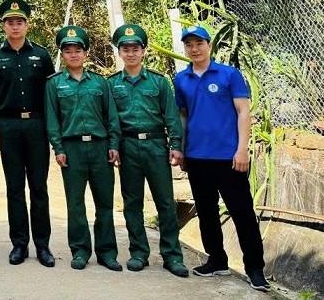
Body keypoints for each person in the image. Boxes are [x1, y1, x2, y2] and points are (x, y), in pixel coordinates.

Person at [174, 25, 269, 291]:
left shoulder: (229, 75)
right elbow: (183, 116)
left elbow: (243, 112)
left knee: (242, 212)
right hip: (197, 157)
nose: (194, 49)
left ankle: (255, 269)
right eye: (189, 45)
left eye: (199, 43)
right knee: (206, 213)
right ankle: (216, 260)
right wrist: (182, 149)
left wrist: (242, 149)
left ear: (209, 45)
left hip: (229, 157)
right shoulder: (180, 80)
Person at [107, 24, 188, 277]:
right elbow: (111, 120)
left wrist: (176, 145)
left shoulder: (159, 82)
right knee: (132, 202)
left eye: (135, 49)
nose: (131, 53)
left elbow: (171, 116)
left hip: (155, 145)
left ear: (143, 51)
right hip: (128, 146)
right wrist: (114, 146)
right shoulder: (112, 84)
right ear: (120, 52)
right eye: (126, 49)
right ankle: (138, 253)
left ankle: (172, 255)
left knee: (165, 202)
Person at [0, 0, 56, 267]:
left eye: (20, 21)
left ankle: (43, 245)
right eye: (10, 22)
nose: (15, 26)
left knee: (39, 188)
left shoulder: (42, 55)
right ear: (3, 26)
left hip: (36, 125)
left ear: (27, 25)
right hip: (8, 126)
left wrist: (52, 129)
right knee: (14, 188)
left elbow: (51, 94)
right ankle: (19, 244)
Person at [45, 25, 122, 272]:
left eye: (78, 50)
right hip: (72, 149)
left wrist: (113, 144)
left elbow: (111, 117)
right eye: (68, 51)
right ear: (62, 55)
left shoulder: (100, 83)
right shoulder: (54, 84)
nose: (74, 55)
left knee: (104, 203)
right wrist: (58, 148)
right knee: (75, 204)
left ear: (86, 53)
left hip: (100, 148)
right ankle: (80, 251)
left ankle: (107, 252)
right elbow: (52, 120)